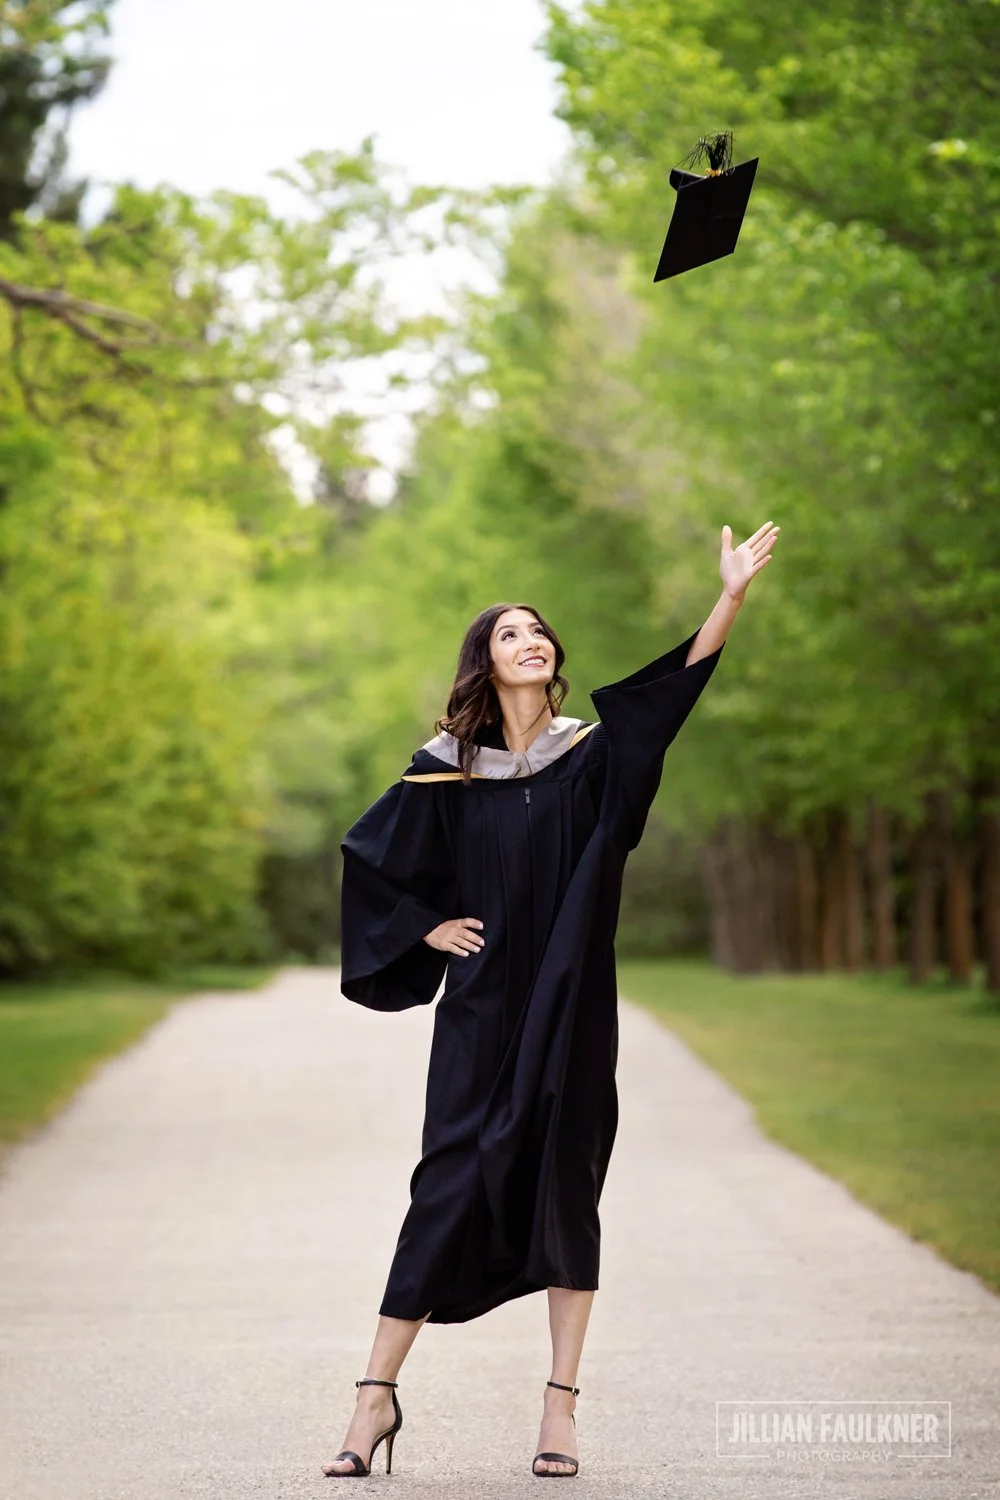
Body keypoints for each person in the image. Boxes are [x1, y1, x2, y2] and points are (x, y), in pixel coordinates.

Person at [324, 520, 780, 1479]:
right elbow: (369, 858)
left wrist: (729, 597)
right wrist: (423, 928)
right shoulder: (446, 767)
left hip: (571, 1005)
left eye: (541, 631)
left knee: (567, 1191)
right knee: (445, 1185)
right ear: (484, 663)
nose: (532, 640)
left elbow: (668, 700)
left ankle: (560, 1411)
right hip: (482, 1008)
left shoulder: (589, 761)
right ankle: (373, 1401)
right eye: (509, 633)